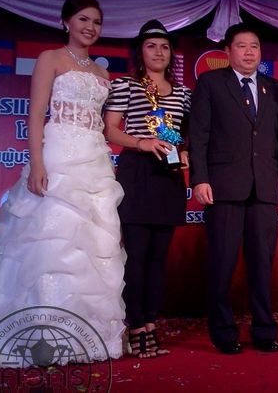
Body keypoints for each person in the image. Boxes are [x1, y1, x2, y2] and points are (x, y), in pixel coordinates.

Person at [0, 0, 126, 367]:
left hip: (94, 160)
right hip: (58, 155)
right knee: (51, 242)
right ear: (66, 22)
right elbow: (36, 113)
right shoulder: (50, 58)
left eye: (96, 21)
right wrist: (37, 162)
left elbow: (102, 125)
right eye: (83, 19)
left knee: (93, 247)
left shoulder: (103, 74)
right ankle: (40, 336)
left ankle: (86, 336)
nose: (90, 27)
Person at [189, 22, 278, 355]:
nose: (249, 52)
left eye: (254, 46)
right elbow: (199, 135)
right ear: (227, 51)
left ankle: (264, 330)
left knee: (262, 263)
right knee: (222, 262)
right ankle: (224, 333)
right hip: (223, 187)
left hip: (264, 188)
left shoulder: (274, 88)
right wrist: (200, 178)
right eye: (241, 46)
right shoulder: (210, 84)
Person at [103, 19, 191, 358]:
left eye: (165, 47)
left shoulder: (184, 94)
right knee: (137, 256)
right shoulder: (125, 85)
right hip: (137, 172)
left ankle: (151, 323)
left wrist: (185, 153)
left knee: (158, 259)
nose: (158, 52)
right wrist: (141, 142)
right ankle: (136, 325)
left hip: (169, 177)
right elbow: (110, 130)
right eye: (151, 46)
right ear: (140, 52)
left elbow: (187, 136)